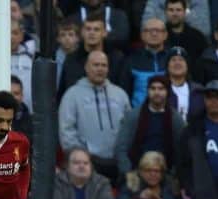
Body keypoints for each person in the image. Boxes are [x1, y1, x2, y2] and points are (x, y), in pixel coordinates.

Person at [59, 51, 130, 183]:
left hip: (117, 163)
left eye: (104, 65)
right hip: (87, 164)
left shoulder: (120, 95)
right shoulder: (72, 95)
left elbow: (128, 129)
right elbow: (66, 131)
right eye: (96, 65)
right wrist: (81, 157)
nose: (100, 69)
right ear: (86, 67)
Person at [115, 75, 184, 178]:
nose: (157, 92)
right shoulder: (133, 116)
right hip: (136, 173)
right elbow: (121, 148)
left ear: (167, 92)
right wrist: (129, 173)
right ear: (147, 91)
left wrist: (173, 175)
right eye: (153, 88)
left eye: (161, 89)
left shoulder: (175, 119)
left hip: (166, 175)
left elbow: (182, 151)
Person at [178, 80, 218, 199]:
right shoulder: (191, 130)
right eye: (210, 97)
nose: (214, 101)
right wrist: (190, 190)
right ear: (204, 100)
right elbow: (183, 165)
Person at [120, 18, 169, 107]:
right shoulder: (131, 60)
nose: (154, 34)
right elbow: (124, 92)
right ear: (142, 35)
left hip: (168, 114)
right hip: (139, 116)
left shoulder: (173, 59)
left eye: (158, 30)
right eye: (149, 31)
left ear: (165, 35)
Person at [165, 46, 204, 122]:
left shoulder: (199, 90)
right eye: (173, 60)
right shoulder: (160, 88)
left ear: (187, 66)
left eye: (181, 60)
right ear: (167, 66)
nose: (177, 63)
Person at [163, 0, 208, 64]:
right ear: (165, 12)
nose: (175, 14)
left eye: (178, 10)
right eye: (171, 10)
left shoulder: (197, 37)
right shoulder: (159, 36)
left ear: (184, 12)